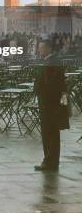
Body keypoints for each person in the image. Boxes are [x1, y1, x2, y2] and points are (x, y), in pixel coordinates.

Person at [34, 39, 68, 172]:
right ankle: (50, 161)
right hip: (50, 104)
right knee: (51, 134)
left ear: (48, 48)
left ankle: (49, 161)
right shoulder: (52, 61)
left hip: (49, 105)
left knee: (49, 133)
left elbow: (50, 85)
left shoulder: (51, 62)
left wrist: (38, 90)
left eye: (41, 48)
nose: (39, 51)